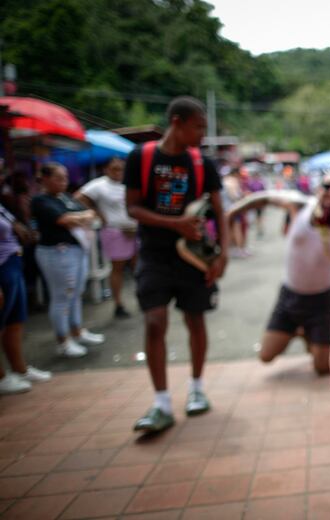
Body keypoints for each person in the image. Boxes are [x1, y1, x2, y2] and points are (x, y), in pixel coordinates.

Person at [124, 96, 228, 433]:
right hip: (154, 255)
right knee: (155, 322)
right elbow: (133, 209)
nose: (202, 132)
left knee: (195, 320)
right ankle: (161, 403)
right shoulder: (141, 158)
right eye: (198, 125)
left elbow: (219, 210)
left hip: (194, 257)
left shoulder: (202, 164)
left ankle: (196, 389)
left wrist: (222, 252)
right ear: (177, 122)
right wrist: (173, 225)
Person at [228, 172, 330, 375]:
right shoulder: (300, 205)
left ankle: (309, 332)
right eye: (327, 186)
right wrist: (232, 212)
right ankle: (300, 331)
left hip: (321, 299)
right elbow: (264, 197)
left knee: (322, 367)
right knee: (265, 356)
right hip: (290, 295)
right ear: (319, 189)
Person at [31, 163, 105, 358]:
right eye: (58, 178)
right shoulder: (40, 201)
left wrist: (78, 217)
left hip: (76, 251)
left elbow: (89, 213)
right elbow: (64, 220)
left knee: (76, 293)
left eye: (65, 178)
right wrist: (80, 217)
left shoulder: (65, 198)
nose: (63, 182)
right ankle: (63, 340)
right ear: (45, 179)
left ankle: (77, 331)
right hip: (56, 254)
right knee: (62, 297)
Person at [75, 157, 138, 319]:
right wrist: (97, 213)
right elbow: (78, 197)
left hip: (134, 230)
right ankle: (118, 304)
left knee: (138, 266)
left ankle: (143, 298)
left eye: (121, 169)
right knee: (117, 268)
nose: (118, 172)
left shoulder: (129, 183)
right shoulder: (99, 185)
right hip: (115, 231)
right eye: (114, 169)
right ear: (106, 169)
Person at [0, 202, 51, 394]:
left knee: (15, 320)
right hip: (3, 265)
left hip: (12, 262)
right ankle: (1, 377)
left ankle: (19, 369)